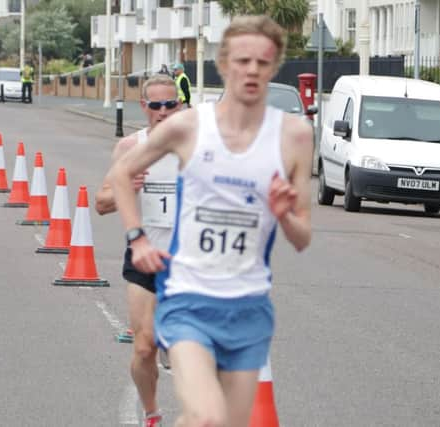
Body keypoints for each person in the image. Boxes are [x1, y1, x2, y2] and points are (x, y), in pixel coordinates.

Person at [109, 15, 313, 427]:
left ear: (274, 68)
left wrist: (285, 215)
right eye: (242, 60)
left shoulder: (295, 136)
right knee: (206, 416)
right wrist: (138, 238)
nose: (252, 70)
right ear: (223, 64)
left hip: (248, 305)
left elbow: (303, 236)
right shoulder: (189, 126)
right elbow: (119, 175)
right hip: (188, 297)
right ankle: (153, 413)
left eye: (263, 62)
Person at [95, 75, 181, 427]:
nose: (163, 112)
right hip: (143, 258)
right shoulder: (130, 148)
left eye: (170, 104)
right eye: (156, 105)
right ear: (144, 107)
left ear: (180, 105)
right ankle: (152, 414)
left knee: (182, 355)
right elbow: (101, 203)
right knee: (143, 347)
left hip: (186, 263)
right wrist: (124, 188)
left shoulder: (197, 147)